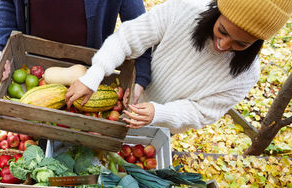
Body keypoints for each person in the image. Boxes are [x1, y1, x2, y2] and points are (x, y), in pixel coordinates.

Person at [65, 0, 292, 133]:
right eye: (222, 31)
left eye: (241, 44)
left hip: (160, 125)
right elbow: (126, 39)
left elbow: (202, 112)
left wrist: (158, 113)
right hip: (123, 98)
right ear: (217, 11)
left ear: (257, 43)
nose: (223, 44)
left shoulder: (247, 74)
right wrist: (94, 75)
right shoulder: (184, 9)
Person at [0, 0, 152, 103]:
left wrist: (140, 77)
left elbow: (140, 29)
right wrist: (0, 48)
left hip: (88, 80)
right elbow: (9, 4)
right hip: (33, 75)